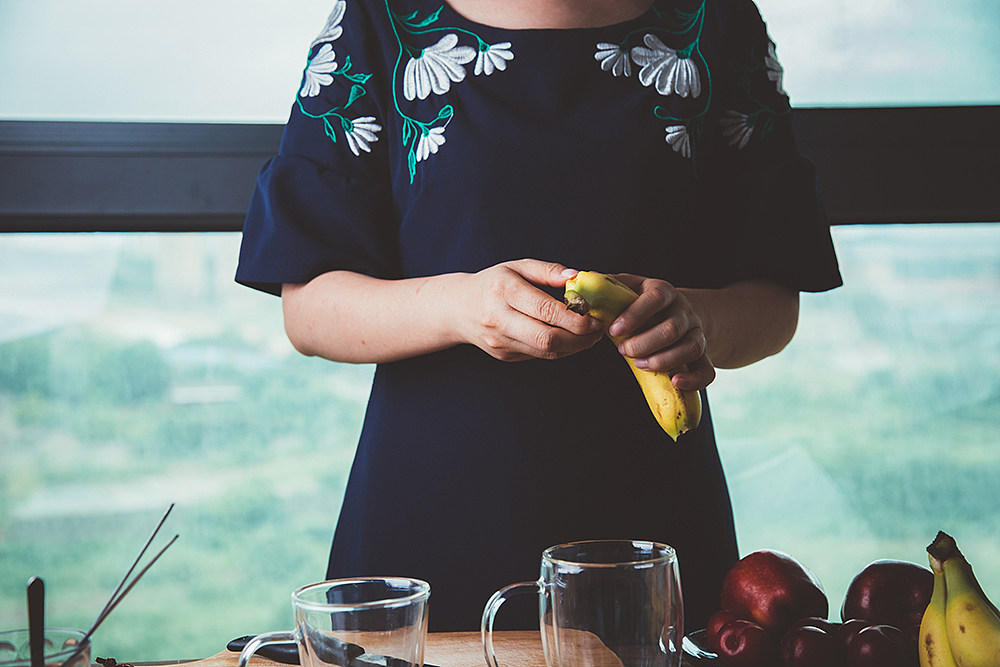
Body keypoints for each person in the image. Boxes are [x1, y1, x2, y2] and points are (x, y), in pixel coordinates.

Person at [236, 0, 842, 633]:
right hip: (432, 507)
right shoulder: (378, 18)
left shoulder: (718, 19)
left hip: (654, 516)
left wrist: (698, 320)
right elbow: (308, 308)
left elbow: (775, 303)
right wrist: (459, 306)